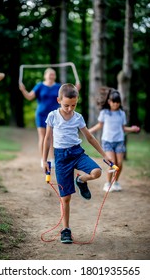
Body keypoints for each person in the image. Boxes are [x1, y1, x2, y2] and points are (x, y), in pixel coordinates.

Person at [42, 83, 111, 244]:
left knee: (97, 172)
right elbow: (47, 139)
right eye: (66, 105)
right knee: (65, 198)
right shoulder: (52, 116)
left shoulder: (78, 117)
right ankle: (66, 230)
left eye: (73, 105)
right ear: (59, 100)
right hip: (60, 157)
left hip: (77, 152)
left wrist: (104, 155)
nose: (69, 108)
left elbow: (90, 137)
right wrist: (45, 160)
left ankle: (81, 180)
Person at [88, 88, 140, 192]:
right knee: (112, 163)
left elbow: (123, 128)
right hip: (107, 142)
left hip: (119, 141)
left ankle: (115, 182)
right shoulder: (105, 112)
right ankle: (108, 183)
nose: (115, 104)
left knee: (119, 163)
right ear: (109, 102)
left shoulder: (121, 113)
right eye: (113, 102)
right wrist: (88, 131)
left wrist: (132, 129)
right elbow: (99, 125)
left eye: (117, 102)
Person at [19, 68, 61, 168]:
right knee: (43, 137)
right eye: (50, 74)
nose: (51, 76)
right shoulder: (40, 86)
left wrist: (76, 89)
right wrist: (23, 90)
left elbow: (65, 97)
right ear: (45, 75)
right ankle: (43, 159)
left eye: (53, 74)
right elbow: (29, 97)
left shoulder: (59, 87)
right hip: (41, 114)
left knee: (52, 137)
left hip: (54, 115)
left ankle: (53, 159)